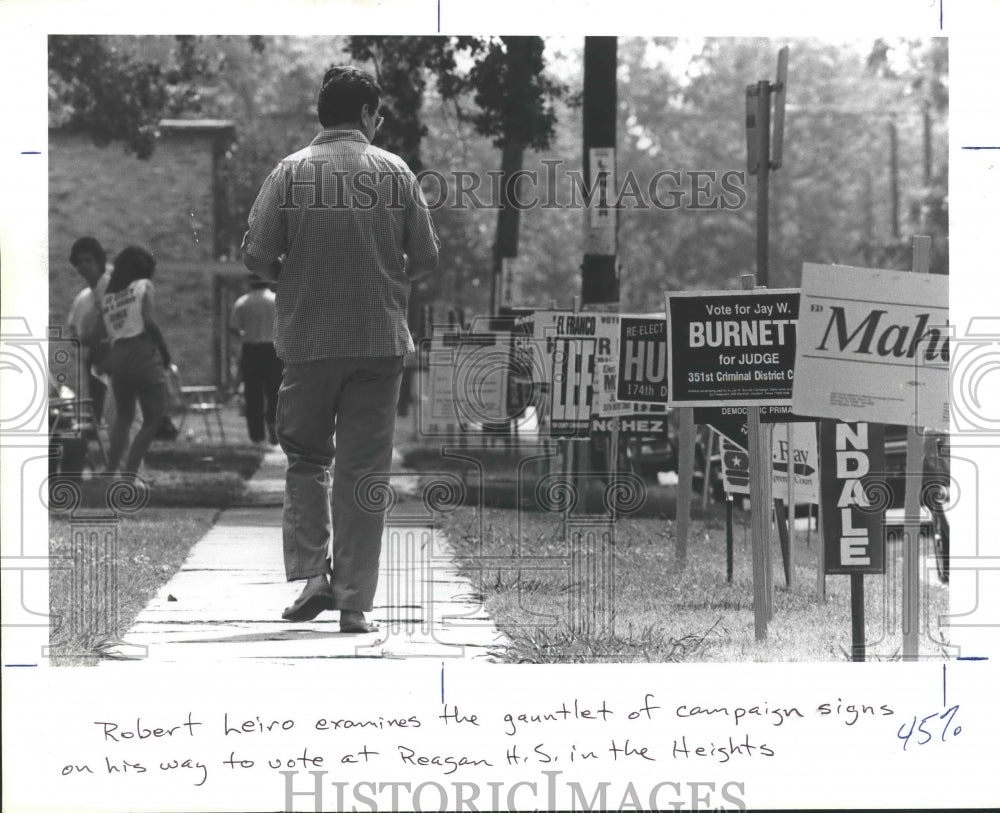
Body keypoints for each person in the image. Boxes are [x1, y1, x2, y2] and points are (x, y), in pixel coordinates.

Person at [242, 65, 439, 633]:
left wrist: (289, 274)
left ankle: (312, 577)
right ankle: (353, 603)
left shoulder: (290, 173)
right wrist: (387, 273)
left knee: (306, 458)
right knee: (363, 471)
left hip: (308, 340)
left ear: (321, 115)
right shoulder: (395, 172)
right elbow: (425, 258)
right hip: (378, 342)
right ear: (367, 115)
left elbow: (256, 254)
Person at [94, 245, 171, 477]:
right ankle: (130, 475)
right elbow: (148, 321)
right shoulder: (143, 286)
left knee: (124, 418)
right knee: (152, 418)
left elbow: (98, 333)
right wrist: (164, 350)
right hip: (141, 352)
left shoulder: (109, 297)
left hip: (117, 355)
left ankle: (110, 473)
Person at [230, 275, 282, 445]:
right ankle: (274, 423)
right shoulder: (275, 300)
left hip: (251, 349)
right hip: (272, 349)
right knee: (275, 391)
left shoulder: (242, 302)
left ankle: (257, 435)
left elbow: (234, 329)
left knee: (253, 394)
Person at [65, 236, 110, 422]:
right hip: (93, 358)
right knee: (95, 407)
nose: (84, 266)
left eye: (89, 260)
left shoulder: (110, 285)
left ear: (99, 262)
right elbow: (73, 331)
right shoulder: (83, 298)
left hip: (114, 355)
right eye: (80, 262)